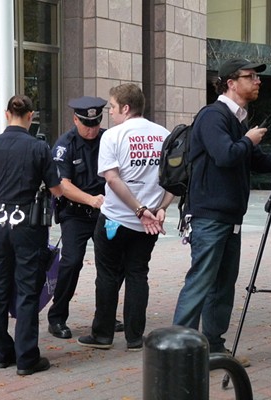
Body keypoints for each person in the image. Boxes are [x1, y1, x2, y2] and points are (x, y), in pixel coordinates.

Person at [172, 58, 271, 366]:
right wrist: (248, 141)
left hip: (228, 217)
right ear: (231, 83)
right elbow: (225, 155)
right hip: (209, 216)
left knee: (222, 285)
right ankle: (179, 350)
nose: (258, 81)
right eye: (251, 77)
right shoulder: (213, 116)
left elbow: (257, 162)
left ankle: (213, 345)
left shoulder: (238, 119)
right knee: (201, 281)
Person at [0, 94, 63, 376]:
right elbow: (57, 189)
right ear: (30, 116)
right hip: (29, 225)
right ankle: (26, 358)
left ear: (6, 114)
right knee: (26, 291)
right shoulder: (38, 148)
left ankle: (1, 353)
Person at [77, 83, 174, 351]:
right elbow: (174, 181)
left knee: (107, 275)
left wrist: (139, 210)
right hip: (149, 225)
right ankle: (134, 337)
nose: (110, 113)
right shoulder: (164, 135)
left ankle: (103, 334)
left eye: (112, 108)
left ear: (126, 108)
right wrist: (159, 208)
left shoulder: (113, 136)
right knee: (138, 274)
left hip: (115, 219)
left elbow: (112, 178)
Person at [47, 96, 123, 339]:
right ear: (75, 119)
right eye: (86, 124)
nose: (91, 130)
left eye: (95, 124)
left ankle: (106, 316)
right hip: (76, 213)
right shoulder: (64, 145)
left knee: (112, 265)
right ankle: (57, 317)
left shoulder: (108, 138)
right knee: (71, 263)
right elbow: (61, 184)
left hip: (106, 212)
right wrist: (90, 199)